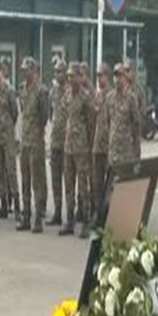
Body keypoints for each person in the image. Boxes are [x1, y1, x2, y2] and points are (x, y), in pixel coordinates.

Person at [16, 58, 51, 232]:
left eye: (27, 70)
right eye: (23, 70)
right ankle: (26, 216)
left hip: (36, 142)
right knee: (25, 180)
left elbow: (44, 116)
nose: (24, 72)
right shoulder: (23, 89)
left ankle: (38, 218)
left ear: (34, 70)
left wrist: (36, 132)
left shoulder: (41, 91)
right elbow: (23, 113)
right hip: (24, 142)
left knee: (36, 181)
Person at [61, 63, 95, 238]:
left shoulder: (86, 97)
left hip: (81, 147)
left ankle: (86, 222)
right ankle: (69, 220)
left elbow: (91, 123)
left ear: (78, 77)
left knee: (83, 185)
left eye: (71, 76)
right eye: (67, 77)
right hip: (68, 146)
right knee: (69, 184)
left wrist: (88, 146)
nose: (69, 79)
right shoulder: (67, 95)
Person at [0, 59, 20, 221]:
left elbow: (14, 112)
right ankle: (3, 205)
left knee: (11, 171)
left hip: (8, 135)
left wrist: (8, 125)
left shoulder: (9, 90)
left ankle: (16, 206)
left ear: (2, 72)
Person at [106, 62, 143, 171]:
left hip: (127, 152)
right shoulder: (109, 98)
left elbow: (136, 126)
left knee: (126, 186)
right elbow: (108, 122)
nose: (117, 79)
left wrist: (137, 153)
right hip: (113, 152)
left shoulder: (131, 98)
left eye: (120, 75)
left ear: (124, 77)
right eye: (115, 75)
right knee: (113, 185)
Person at [47, 58, 69, 227]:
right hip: (55, 142)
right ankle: (57, 212)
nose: (57, 75)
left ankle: (71, 214)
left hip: (69, 144)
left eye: (60, 71)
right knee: (55, 180)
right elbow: (48, 114)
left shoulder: (71, 91)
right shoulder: (53, 92)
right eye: (55, 71)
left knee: (68, 181)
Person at [91, 63, 112, 212]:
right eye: (97, 76)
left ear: (107, 76)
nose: (99, 79)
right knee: (96, 183)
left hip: (109, 147)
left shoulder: (111, 96)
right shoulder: (97, 96)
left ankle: (108, 214)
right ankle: (98, 213)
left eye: (101, 75)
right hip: (97, 145)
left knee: (109, 185)